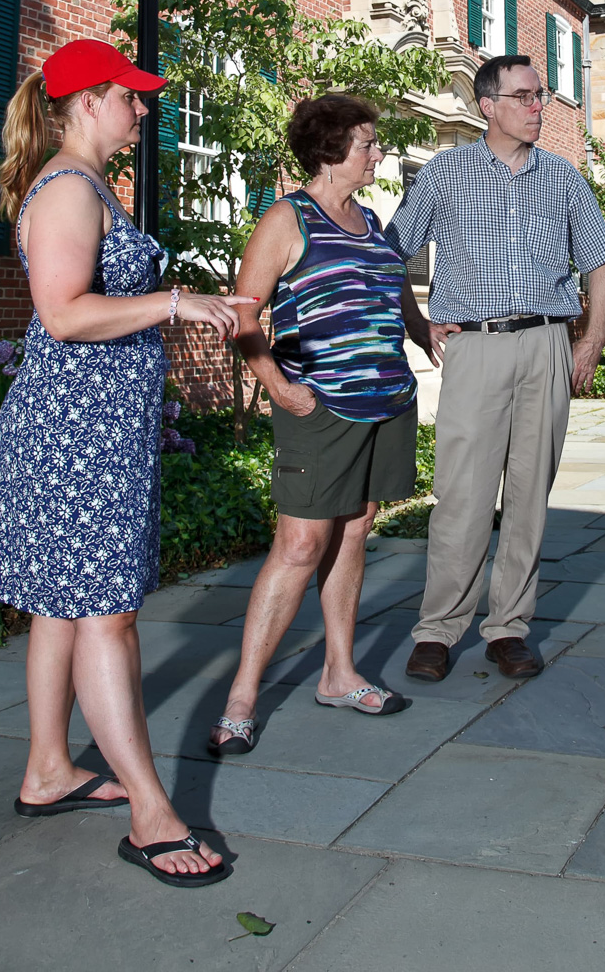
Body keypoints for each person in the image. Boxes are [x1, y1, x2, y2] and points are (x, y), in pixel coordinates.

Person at [0, 39, 253, 887]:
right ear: (88, 101)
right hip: (77, 436)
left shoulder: (89, 185)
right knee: (108, 615)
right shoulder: (67, 188)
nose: (143, 111)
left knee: (63, 610)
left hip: (91, 431)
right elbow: (63, 314)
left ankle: (48, 772)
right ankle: (151, 812)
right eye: (131, 98)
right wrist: (176, 300)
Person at [208, 93, 439, 755]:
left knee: (356, 529)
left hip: (386, 401)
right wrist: (279, 388)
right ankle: (242, 699)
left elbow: (391, 293)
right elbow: (243, 314)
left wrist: (423, 333)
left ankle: (339, 673)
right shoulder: (289, 218)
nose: (378, 153)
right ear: (331, 151)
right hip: (323, 406)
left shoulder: (368, 218)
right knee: (301, 545)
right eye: (368, 142)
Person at [385, 53, 605, 683]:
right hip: (475, 348)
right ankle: (437, 630)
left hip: (546, 344)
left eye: (539, 95)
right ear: (488, 105)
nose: (537, 106)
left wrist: (588, 342)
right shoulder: (445, 172)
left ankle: (510, 627)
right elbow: (392, 253)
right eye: (523, 96)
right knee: (461, 494)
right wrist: (416, 324)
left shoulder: (564, 178)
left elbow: (599, 263)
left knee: (528, 499)